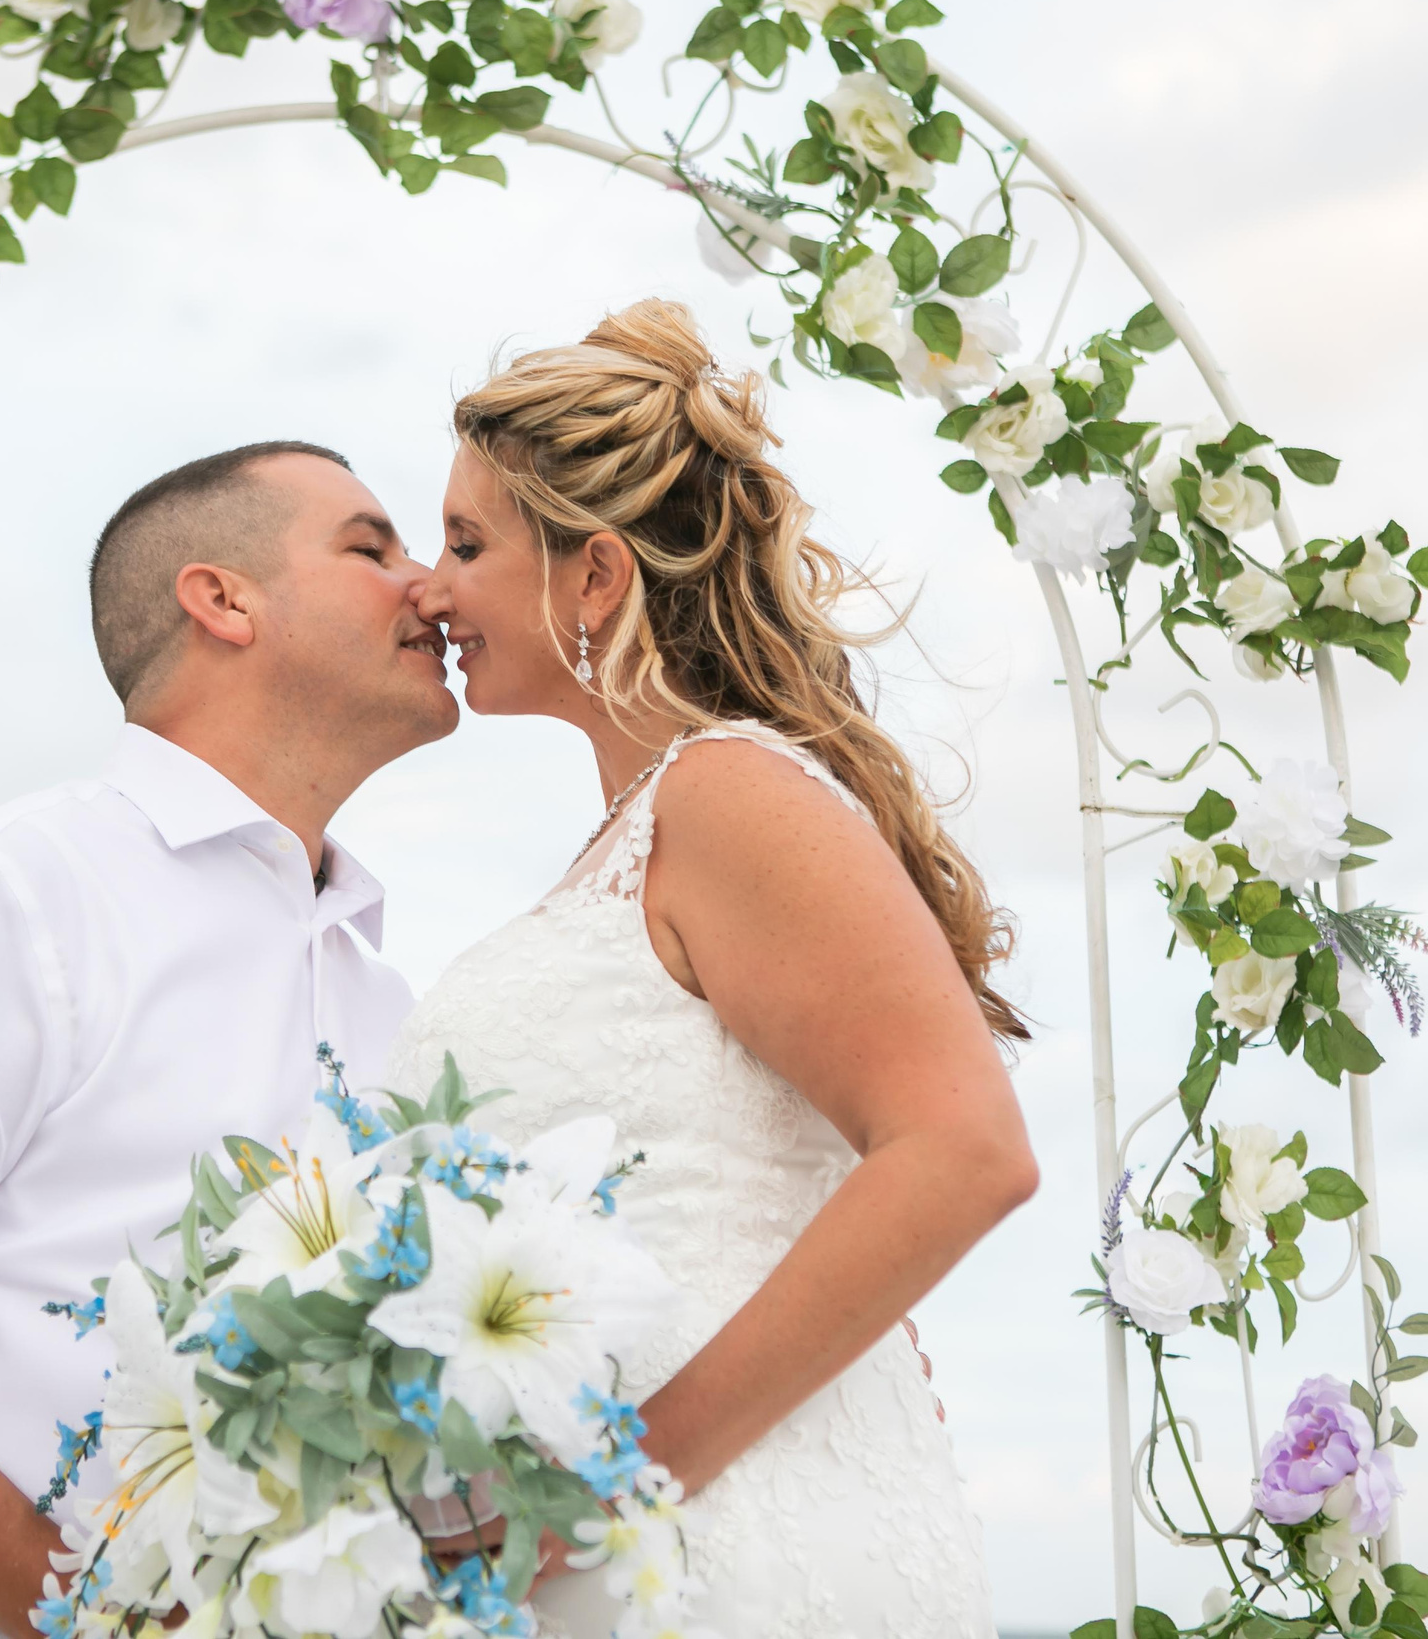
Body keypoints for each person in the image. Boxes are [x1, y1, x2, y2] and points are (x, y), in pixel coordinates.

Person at [0, 443, 457, 1639]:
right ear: (222, 599)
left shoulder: (387, 997)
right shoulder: (5, 892)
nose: (430, 585)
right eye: (371, 546)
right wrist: (110, 1625)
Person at [392, 300, 1041, 1636]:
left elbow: (964, 1145)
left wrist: (621, 1478)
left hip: (723, 1546)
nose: (428, 584)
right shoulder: (638, 831)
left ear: (596, 576)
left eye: (466, 542)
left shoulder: (730, 793)